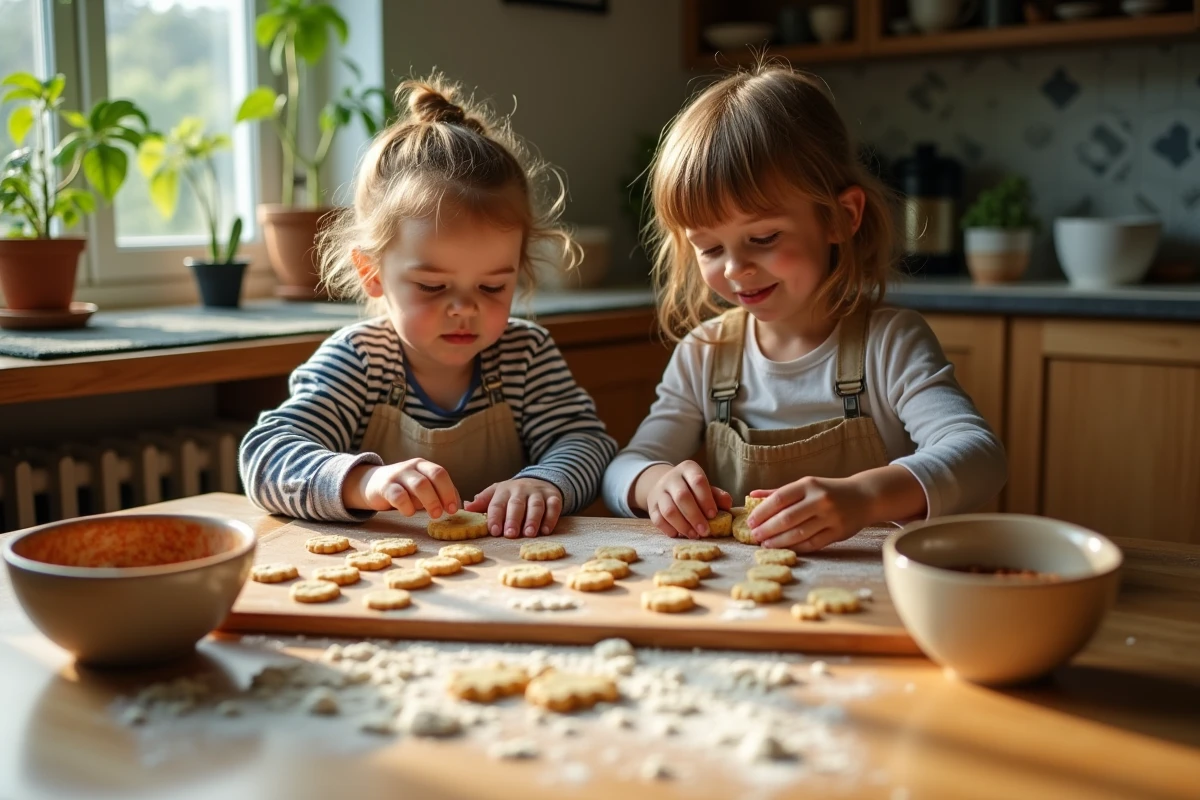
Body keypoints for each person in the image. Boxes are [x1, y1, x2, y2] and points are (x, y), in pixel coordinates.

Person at [602, 65, 1006, 552]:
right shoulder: (705, 355)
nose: (735, 269)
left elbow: (979, 455)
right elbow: (626, 466)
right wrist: (656, 483)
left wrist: (863, 497)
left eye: (764, 238)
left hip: (874, 594)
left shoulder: (890, 344)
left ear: (841, 217)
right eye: (710, 249)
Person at [241, 74, 616, 537]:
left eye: (493, 287)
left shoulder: (525, 355)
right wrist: (365, 481)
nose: (464, 308)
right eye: (433, 287)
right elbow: (266, 456)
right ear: (372, 273)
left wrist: (544, 481)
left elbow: (584, 442)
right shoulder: (360, 361)